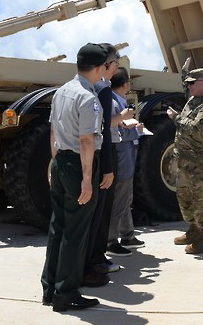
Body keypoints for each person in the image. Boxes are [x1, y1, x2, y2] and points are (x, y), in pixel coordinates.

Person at [41, 42, 109, 312]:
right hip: (77, 165)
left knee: (58, 227)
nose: (106, 70)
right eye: (105, 66)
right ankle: (66, 293)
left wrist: (55, 162)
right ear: (97, 68)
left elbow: (52, 132)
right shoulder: (88, 97)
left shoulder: (62, 91)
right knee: (76, 233)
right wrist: (86, 179)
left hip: (60, 162)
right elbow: (86, 141)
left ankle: (50, 287)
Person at [167, 61, 203, 254]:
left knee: (201, 199)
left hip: (199, 163)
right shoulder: (193, 98)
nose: (188, 86)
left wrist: (176, 118)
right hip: (184, 160)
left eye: (192, 83)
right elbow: (185, 84)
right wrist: (184, 72)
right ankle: (193, 229)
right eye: (188, 83)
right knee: (184, 196)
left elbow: (195, 130)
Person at [82, 43, 119, 285]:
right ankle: (95, 259)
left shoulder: (84, 87)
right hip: (101, 155)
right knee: (100, 213)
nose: (116, 68)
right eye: (116, 63)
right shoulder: (103, 90)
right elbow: (103, 131)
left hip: (91, 154)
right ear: (105, 65)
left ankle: (92, 258)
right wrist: (108, 166)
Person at [107, 67, 145, 255]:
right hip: (122, 158)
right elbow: (118, 131)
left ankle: (128, 235)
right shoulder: (115, 104)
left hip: (126, 156)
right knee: (119, 200)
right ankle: (111, 240)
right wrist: (136, 131)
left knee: (126, 197)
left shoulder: (117, 101)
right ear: (126, 85)